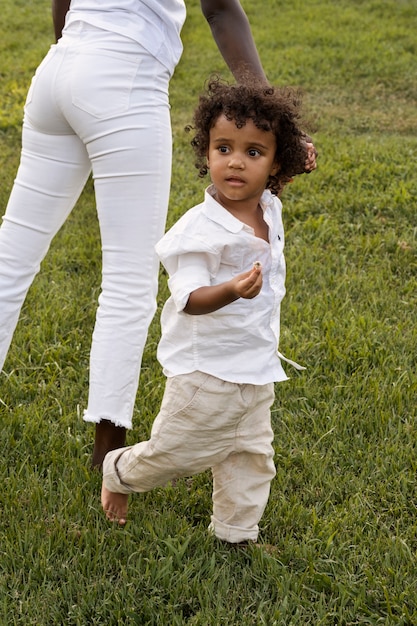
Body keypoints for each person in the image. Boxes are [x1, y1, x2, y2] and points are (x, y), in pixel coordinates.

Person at [0, 0, 317, 468]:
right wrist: (278, 122)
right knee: (129, 280)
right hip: (124, 76)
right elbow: (220, 9)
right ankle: (108, 455)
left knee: (11, 256)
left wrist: (71, 56)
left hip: (59, 66)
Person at [101, 78, 315, 545]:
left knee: (251, 455)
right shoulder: (199, 231)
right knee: (176, 453)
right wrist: (232, 289)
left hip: (254, 369)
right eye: (224, 148)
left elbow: (280, 178)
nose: (236, 161)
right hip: (205, 374)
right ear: (207, 153)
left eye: (254, 153)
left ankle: (236, 533)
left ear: (275, 165)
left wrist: (295, 161)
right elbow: (190, 299)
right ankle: (118, 471)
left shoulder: (267, 205)